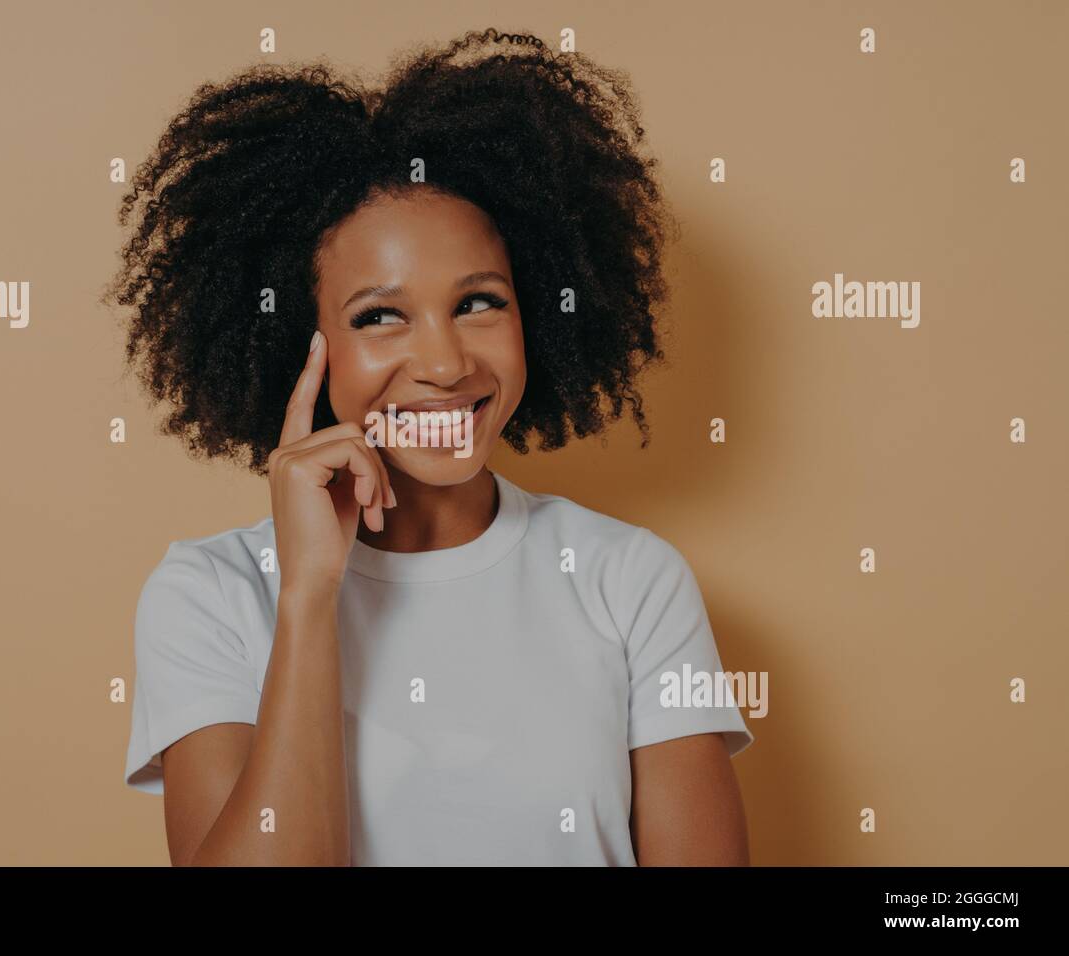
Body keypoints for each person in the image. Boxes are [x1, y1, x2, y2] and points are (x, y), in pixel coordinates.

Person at [106, 27, 753, 866]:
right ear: (305, 346)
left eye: (480, 302)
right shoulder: (209, 595)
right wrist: (308, 596)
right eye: (380, 316)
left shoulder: (630, 580)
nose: (446, 365)